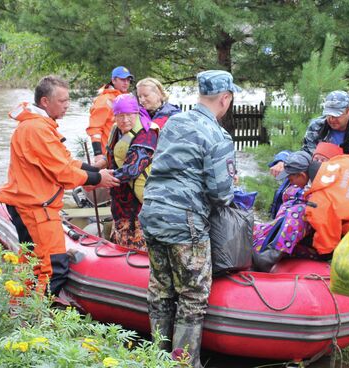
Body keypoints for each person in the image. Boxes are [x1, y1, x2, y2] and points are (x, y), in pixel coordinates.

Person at [139, 70, 240, 368]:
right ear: (225, 98)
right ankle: (184, 364)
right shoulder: (218, 135)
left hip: (153, 212)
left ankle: (157, 358)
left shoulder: (175, 122)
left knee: (160, 289)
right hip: (186, 223)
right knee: (193, 295)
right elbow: (221, 194)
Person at [0, 76, 120, 296]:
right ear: (45, 101)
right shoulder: (37, 129)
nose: (67, 105)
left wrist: (94, 170)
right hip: (35, 207)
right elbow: (63, 172)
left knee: (33, 264)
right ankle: (37, 320)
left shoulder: (39, 125)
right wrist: (98, 179)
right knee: (53, 269)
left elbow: (65, 162)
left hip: (34, 204)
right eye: (62, 101)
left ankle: (21, 314)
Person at [269, 90, 349, 178]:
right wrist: (284, 161)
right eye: (328, 114)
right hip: (318, 178)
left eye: (336, 115)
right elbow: (307, 153)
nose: (331, 119)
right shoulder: (317, 126)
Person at [103, 95, 160, 250]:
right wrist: (98, 165)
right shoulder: (116, 130)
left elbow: (132, 169)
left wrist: (97, 180)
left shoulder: (147, 133)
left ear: (137, 112)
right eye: (120, 115)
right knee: (120, 242)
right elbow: (110, 155)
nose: (125, 119)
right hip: (120, 198)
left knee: (137, 247)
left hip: (140, 201)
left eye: (129, 114)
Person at [87, 66, 134, 162]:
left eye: (128, 80)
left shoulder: (126, 97)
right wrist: (97, 153)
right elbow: (95, 129)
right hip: (108, 154)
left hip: (123, 151)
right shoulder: (104, 100)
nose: (126, 83)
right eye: (122, 79)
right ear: (113, 80)